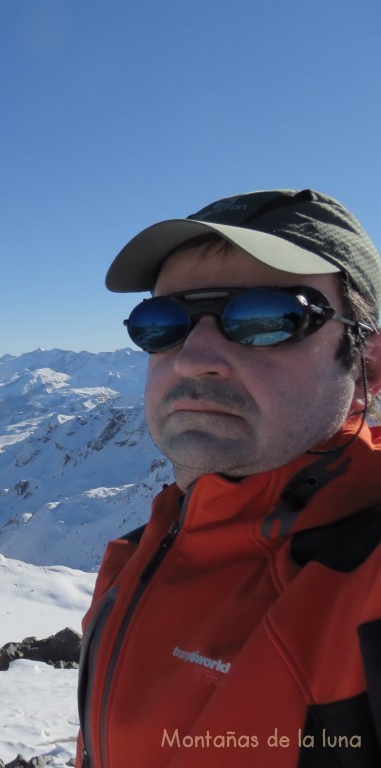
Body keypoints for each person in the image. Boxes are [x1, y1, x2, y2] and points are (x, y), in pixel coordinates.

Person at [77, 189, 381, 768]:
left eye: (267, 318)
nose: (194, 356)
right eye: (162, 323)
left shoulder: (362, 581)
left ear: (369, 361)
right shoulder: (137, 558)